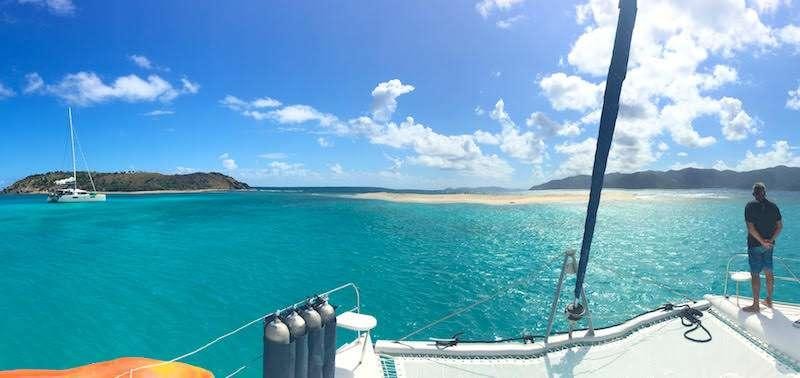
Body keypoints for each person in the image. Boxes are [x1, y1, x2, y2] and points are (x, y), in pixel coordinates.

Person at [743, 182, 782, 312]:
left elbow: (751, 228)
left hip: (755, 245)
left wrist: (761, 241)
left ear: (754, 193)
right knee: (769, 273)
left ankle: (756, 305)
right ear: (765, 192)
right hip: (769, 246)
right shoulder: (773, 206)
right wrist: (769, 241)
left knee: (755, 274)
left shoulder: (750, 206)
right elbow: (779, 226)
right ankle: (769, 300)